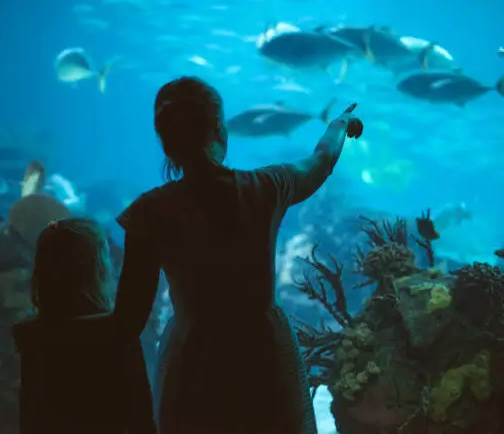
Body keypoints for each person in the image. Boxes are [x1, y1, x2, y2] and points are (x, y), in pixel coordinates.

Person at [106, 76, 364, 434]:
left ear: (165, 142)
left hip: (194, 362)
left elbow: (128, 322)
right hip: (264, 355)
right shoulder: (266, 188)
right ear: (219, 129)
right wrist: (340, 125)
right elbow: (320, 161)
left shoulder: (150, 212)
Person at [12, 218, 156, 434]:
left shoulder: (32, 336)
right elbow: (141, 417)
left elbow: (30, 417)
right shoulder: (118, 333)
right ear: (99, 267)